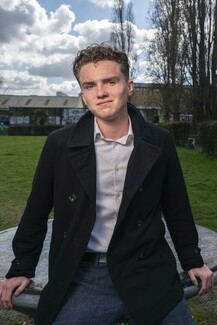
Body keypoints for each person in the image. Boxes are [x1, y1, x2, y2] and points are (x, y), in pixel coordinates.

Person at [0, 44, 214, 325]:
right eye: (90, 85)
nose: (100, 92)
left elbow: (176, 206)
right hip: (85, 274)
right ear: (83, 94)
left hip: (148, 269)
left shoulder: (159, 141)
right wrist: (21, 266)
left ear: (129, 86)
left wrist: (192, 259)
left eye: (110, 81)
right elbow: (36, 210)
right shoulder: (59, 144)